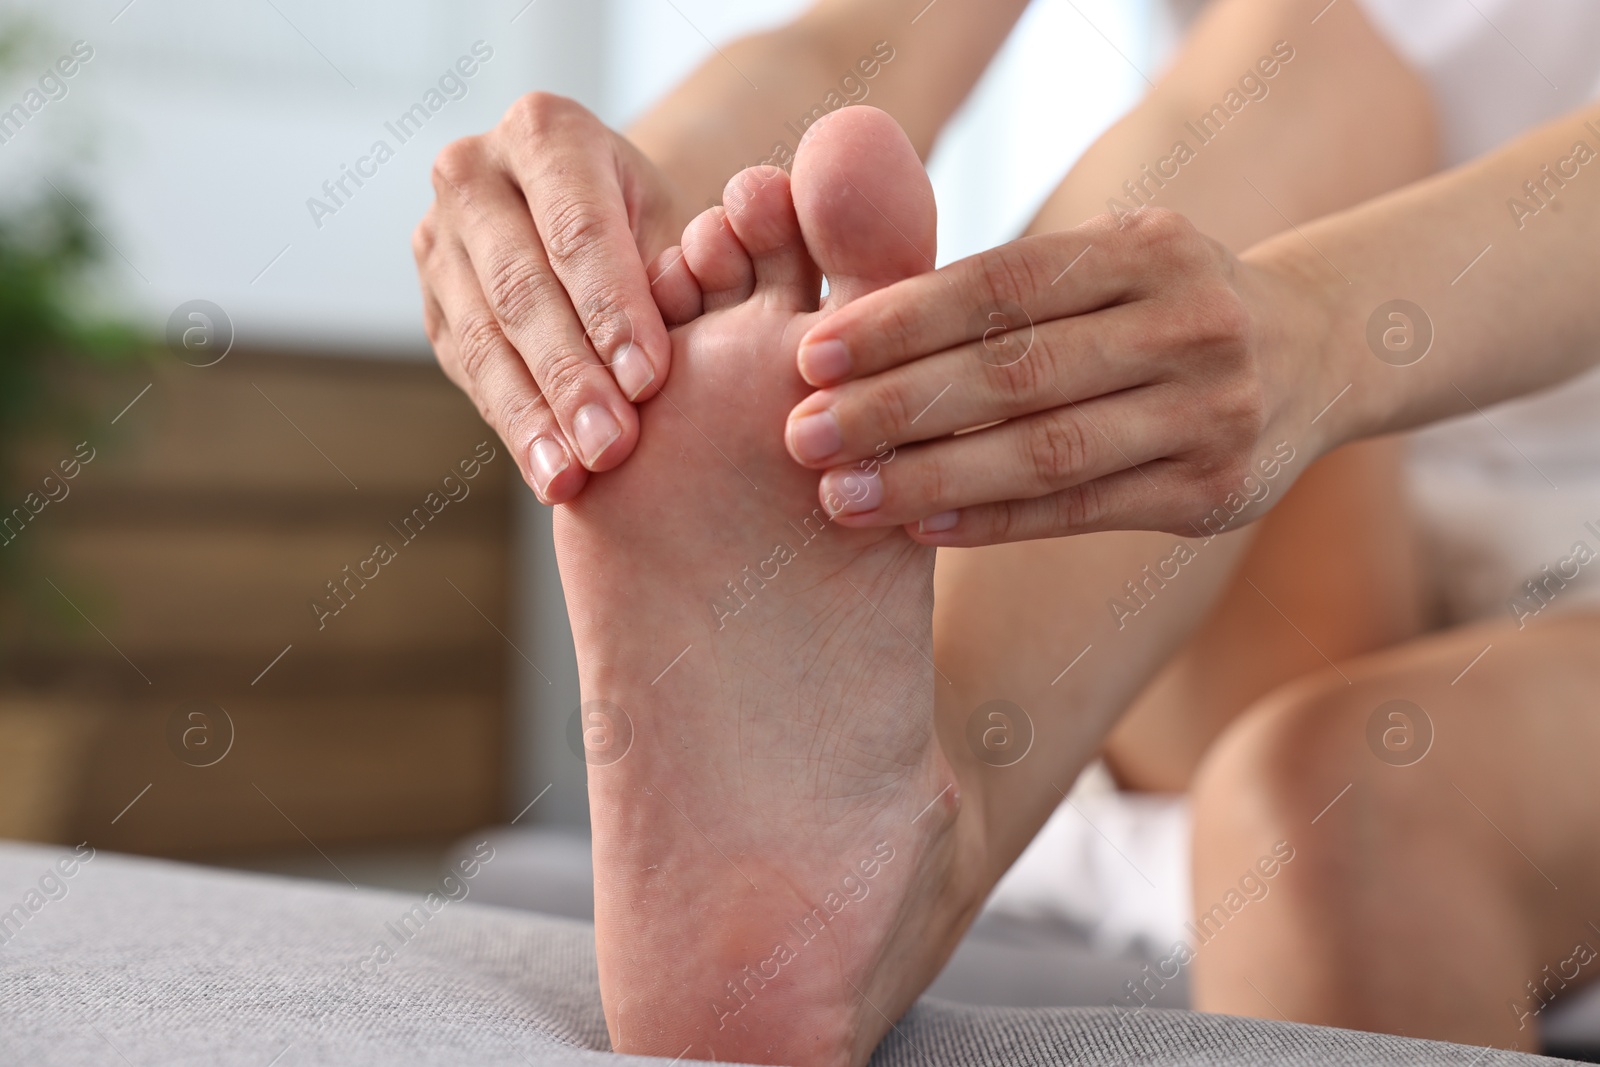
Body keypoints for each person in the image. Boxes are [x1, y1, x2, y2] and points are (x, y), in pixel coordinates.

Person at [412, 0, 1600, 1059]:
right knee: (1296, 56)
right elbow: (865, 35)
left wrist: (1328, 329)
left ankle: (911, 832)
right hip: (1285, 471)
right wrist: (624, 205)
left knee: (1335, 818)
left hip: (1367, 407)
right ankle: (919, 806)